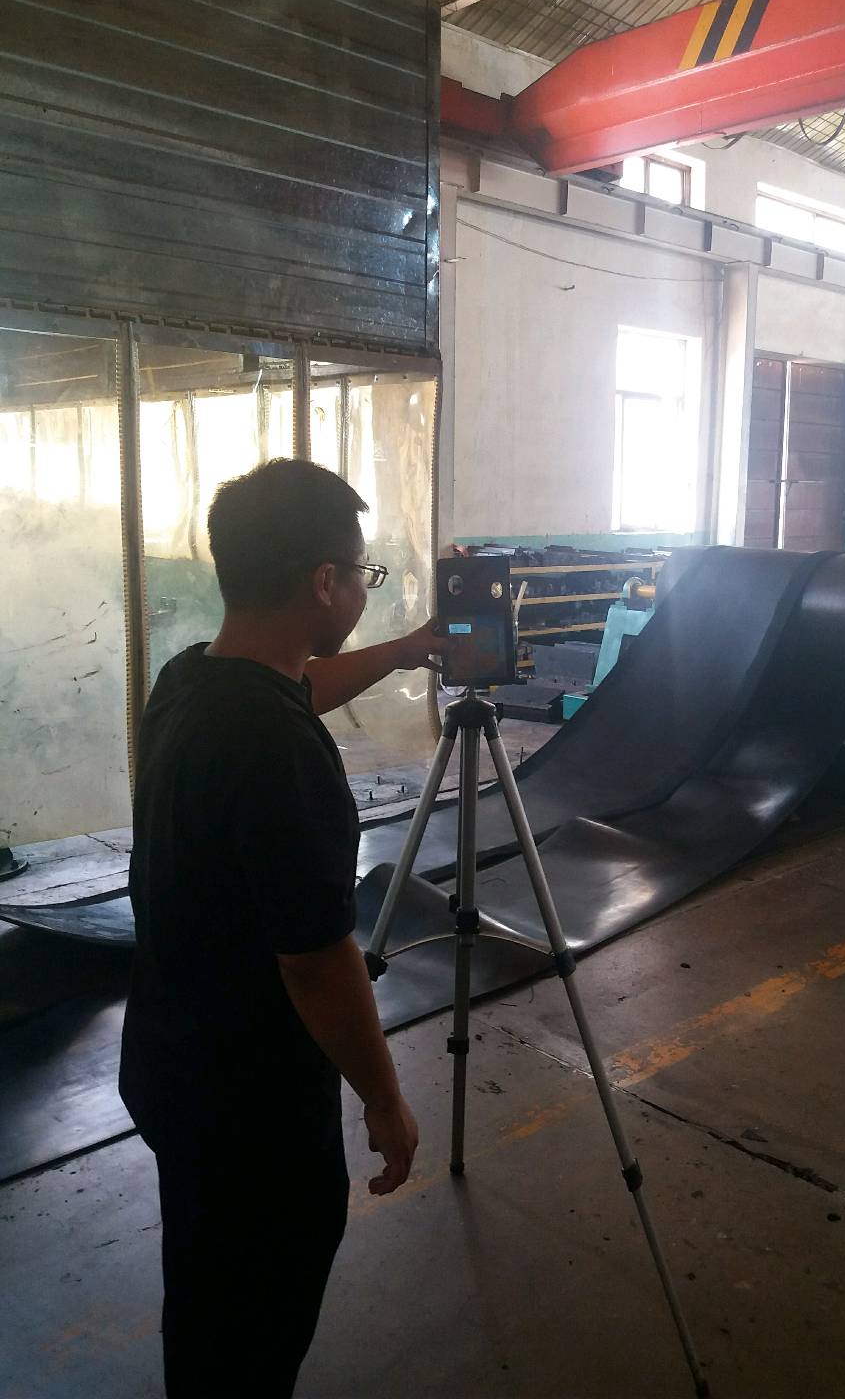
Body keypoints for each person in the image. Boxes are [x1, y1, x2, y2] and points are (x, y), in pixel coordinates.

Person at [119, 459, 449, 1397]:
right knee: (256, 1321)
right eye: (363, 573)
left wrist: (404, 649)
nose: (365, 588)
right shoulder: (283, 755)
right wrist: (383, 1099)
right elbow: (316, 962)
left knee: (206, 1290)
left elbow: (299, 685)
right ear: (324, 583)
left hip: (172, 1063)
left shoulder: (192, 681)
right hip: (251, 1109)